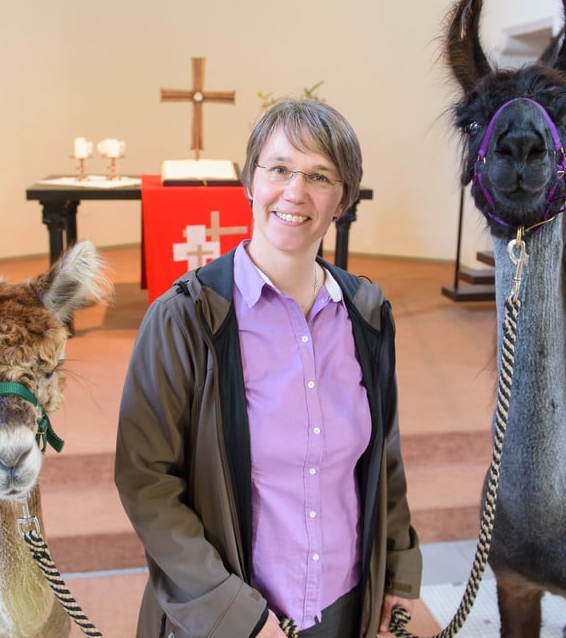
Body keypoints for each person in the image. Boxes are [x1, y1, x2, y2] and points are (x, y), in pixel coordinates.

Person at [115, 99, 421, 637]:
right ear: (250, 182)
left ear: (343, 200)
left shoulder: (367, 315)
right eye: (279, 169)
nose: (295, 192)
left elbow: (384, 457)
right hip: (229, 619)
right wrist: (237, 615)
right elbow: (147, 482)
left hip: (345, 608)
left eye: (319, 176)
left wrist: (398, 568)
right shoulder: (185, 319)